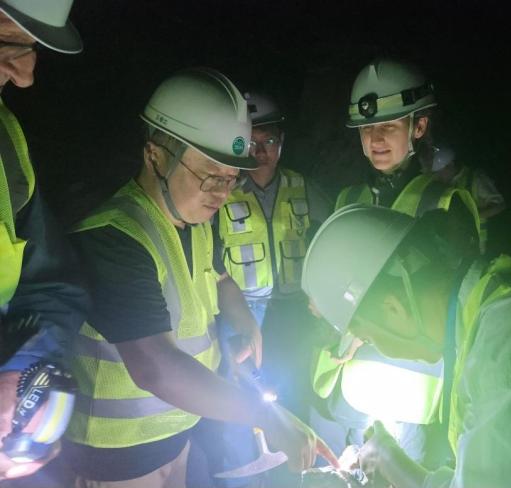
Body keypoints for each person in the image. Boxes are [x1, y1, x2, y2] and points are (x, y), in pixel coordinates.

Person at [65, 68, 337, 487]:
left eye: (232, 178)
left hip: (176, 439)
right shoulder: (114, 238)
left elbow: (220, 279)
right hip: (118, 459)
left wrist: (245, 321)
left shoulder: (194, 224)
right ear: (154, 154)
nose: (223, 193)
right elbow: (156, 366)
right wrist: (265, 415)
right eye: (210, 175)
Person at [302, 205, 511, 487]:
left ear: (394, 308)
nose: (375, 346)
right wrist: (390, 459)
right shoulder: (494, 306)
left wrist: (393, 464)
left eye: (369, 337)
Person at [309, 58, 480, 466]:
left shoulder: (446, 205)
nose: (376, 138)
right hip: (349, 386)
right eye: (367, 129)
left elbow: (461, 313)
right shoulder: (348, 202)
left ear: (418, 128)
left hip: (411, 400)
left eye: (389, 126)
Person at [200, 91, 330, 486]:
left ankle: (296, 467)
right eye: (251, 142)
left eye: (268, 140)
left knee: (293, 388)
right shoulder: (225, 189)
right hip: (242, 308)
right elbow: (211, 256)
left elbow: (329, 238)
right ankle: (241, 470)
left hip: (294, 309)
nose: (260, 150)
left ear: (281, 142)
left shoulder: (302, 186)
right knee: (241, 391)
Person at [0, 0, 88, 482]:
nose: (26, 75)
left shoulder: (5, 145)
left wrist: (20, 370)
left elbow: (49, 284)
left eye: (30, 48)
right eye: (6, 43)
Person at [430, 146, 505, 254]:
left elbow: (499, 205)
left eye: (441, 172)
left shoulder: (476, 178)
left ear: (451, 165)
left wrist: (472, 216)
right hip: (462, 246)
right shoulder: (449, 184)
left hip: (482, 246)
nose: (439, 176)